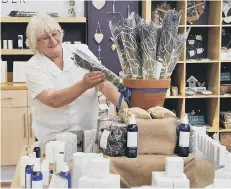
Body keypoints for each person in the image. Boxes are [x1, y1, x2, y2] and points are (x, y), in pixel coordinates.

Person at [25, 13, 128, 141]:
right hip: (53, 139)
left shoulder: (80, 51)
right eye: (45, 37)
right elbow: (53, 100)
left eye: (55, 33)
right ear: (35, 43)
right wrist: (84, 84)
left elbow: (104, 84)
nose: (53, 40)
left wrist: (127, 111)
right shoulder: (34, 66)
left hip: (88, 134)